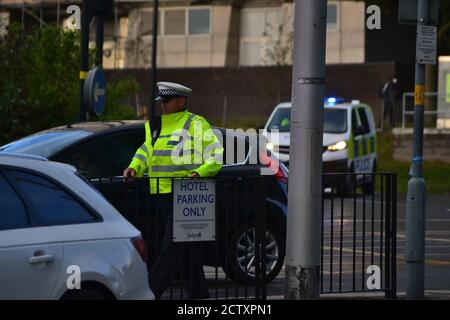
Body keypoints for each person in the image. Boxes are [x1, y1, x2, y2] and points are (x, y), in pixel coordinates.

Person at [123, 82, 223, 299]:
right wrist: (134, 167)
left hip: (186, 195)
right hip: (160, 192)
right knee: (185, 251)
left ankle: (147, 293)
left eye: (167, 101)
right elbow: (145, 151)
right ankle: (200, 297)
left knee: (171, 248)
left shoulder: (196, 124)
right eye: (162, 101)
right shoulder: (155, 125)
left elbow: (216, 155)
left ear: (181, 101)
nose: (163, 105)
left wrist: (200, 173)